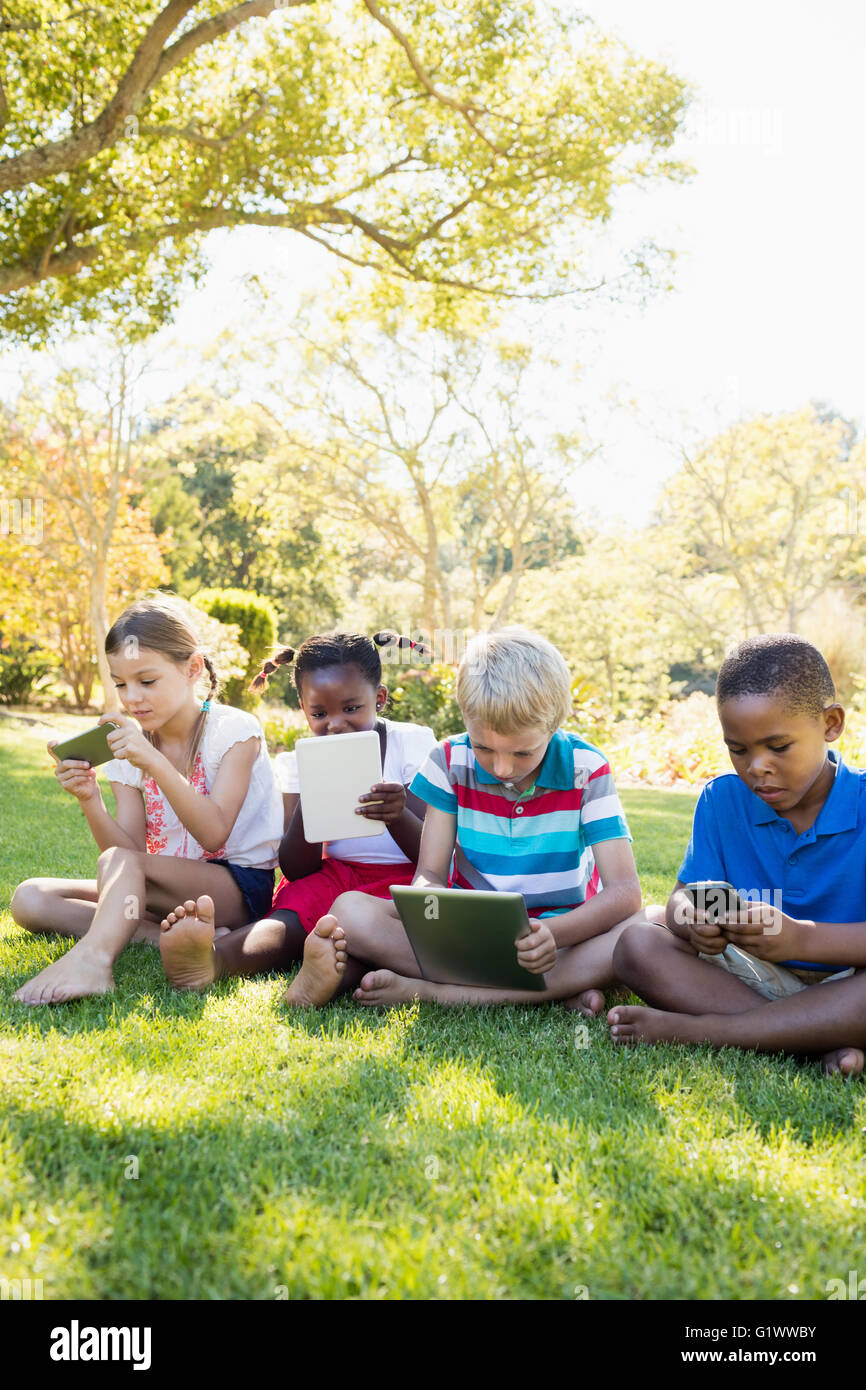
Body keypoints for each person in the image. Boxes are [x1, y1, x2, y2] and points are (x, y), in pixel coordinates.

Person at [280, 625, 642, 1010]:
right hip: (470, 934)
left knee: (643, 928)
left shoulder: (587, 768)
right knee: (349, 910)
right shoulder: (449, 760)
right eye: (484, 748)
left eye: (522, 753)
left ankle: (436, 993)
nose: (502, 768)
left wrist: (552, 933)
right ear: (465, 717)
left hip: (563, 935)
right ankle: (557, 990)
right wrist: (427, 915)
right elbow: (431, 873)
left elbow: (624, 892)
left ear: (554, 726)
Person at [607, 633, 866, 1078]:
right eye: (738, 750)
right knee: (637, 942)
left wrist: (801, 939)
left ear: (831, 723)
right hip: (751, 978)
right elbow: (681, 901)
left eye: (778, 747)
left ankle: (708, 1032)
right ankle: (818, 1039)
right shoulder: (722, 800)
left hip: (849, 983)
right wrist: (693, 921)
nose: (756, 767)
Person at [10, 596, 283, 1006]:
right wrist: (90, 800)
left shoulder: (233, 731)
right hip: (157, 893)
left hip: (233, 888)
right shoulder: (128, 747)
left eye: (147, 681)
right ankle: (167, 937)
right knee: (30, 898)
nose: (131, 698)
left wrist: (151, 759)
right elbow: (128, 853)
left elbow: (213, 833)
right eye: (120, 683)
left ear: (193, 669)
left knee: (120, 868)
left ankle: (95, 960)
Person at [157, 630, 437, 998]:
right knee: (290, 920)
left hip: (400, 880)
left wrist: (397, 813)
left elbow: (430, 854)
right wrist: (312, 801)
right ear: (304, 710)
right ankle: (213, 960)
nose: (335, 724)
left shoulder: (413, 744)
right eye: (319, 713)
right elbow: (294, 868)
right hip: (336, 876)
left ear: (379, 699)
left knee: (373, 937)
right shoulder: (300, 762)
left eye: (351, 708)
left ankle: (327, 977)